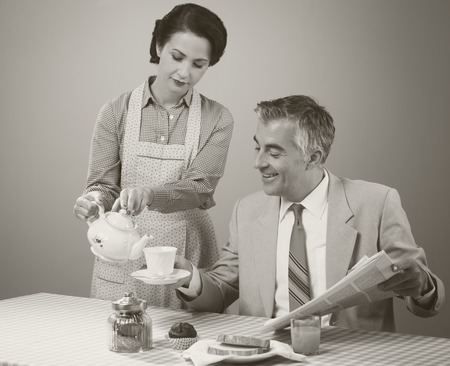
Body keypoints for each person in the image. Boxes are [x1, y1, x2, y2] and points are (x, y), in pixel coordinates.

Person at [173, 95, 445, 332]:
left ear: (313, 157)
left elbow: (426, 299)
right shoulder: (247, 210)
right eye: (258, 147)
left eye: (273, 152)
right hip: (267, 356)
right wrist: (189, 276)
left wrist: (421, 287)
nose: (258, 162)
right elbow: (219, 291)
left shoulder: (376, 202)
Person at [73, 3, 234, 309]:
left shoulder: (218, 118)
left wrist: (148, 194)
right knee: (121, 339)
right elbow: (104, 187)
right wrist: (93, 200)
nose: (185, 72)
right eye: (177, 57)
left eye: (199, 64)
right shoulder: (115, 112)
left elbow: (200, 187)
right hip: (123, 253)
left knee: (188, 342)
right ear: (159, 46)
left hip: (188, 252)